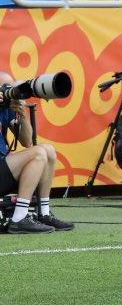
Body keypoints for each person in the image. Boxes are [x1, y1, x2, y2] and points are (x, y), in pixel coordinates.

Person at [0, 72, 73, 234]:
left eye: (10, 88)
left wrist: (21, 113)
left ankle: (43, 213)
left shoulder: (6, 109)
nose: (8, 91)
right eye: (5, 88)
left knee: (48, 150)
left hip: (3, 169)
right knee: (38, 153)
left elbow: (26, 142)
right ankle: (19, 218)